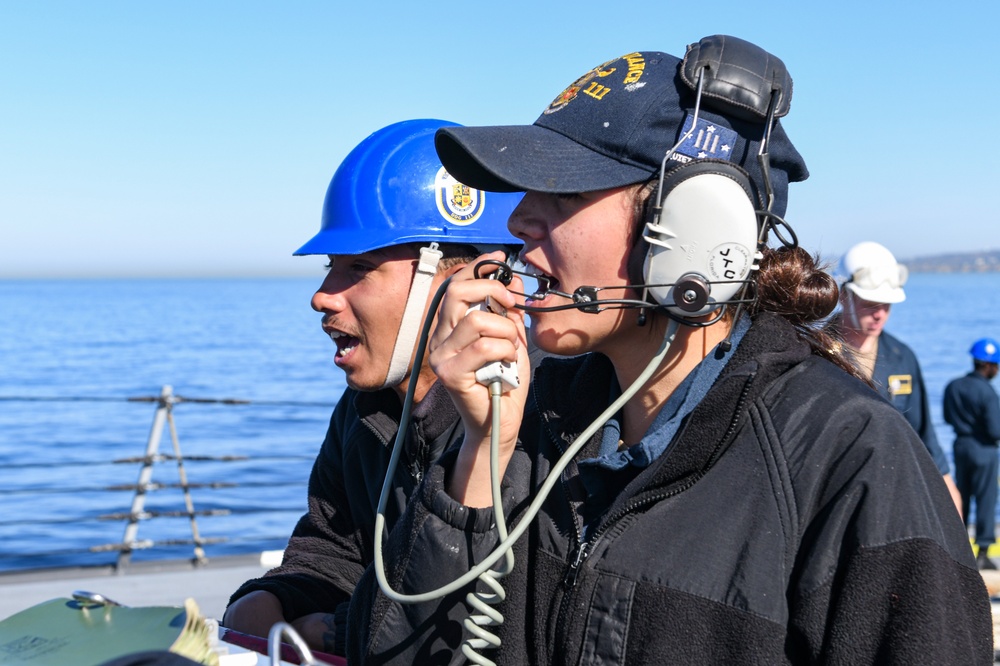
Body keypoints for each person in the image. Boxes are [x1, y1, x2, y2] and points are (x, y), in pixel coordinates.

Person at [347, 37, 992, 664]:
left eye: (564, 193)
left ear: (692, 229)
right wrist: (479, 457)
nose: (516, 222)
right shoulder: (530, 417)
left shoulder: (849, 456)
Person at [221, 119, 524, 655]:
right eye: (329, 268)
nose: (322, 297)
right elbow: (332, 547)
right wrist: (277, 598)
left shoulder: (541, 420)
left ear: (479, 282)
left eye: (359, 268)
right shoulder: (367, 407)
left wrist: (330, 629)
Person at [836, 241, 963, 515]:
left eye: (887, 304)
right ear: (844, 296)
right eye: (870, 304)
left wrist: (947, 486)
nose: (880, 313)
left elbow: (922, 430)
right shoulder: (815, 351)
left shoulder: (902, 357)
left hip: (888, 493)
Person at [945, 338, 1000, 570]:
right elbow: (995, 429)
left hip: (961, 447)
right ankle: (984, 550)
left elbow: (948, 417)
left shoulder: (954, 385)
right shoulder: (987, 392)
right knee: (986, 498)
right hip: (984, 449)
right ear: (988, 366)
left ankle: (959, 545)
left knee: (962, 496)